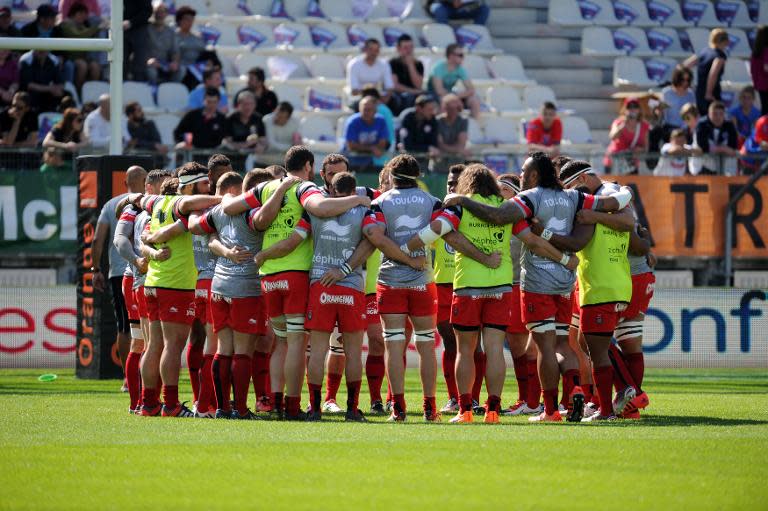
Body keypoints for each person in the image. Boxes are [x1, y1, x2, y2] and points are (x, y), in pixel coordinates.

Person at [441, 154, 634, 422]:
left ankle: (552, 409)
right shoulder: (573, 197)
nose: (520, 175)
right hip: (565, 282)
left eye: (523, 170)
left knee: (544, 349)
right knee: (562, 344)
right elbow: (614, 203)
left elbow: (498, 217)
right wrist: (626, 191)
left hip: (535, 283)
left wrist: (462, 200)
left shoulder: (529, 197)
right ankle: (576, 388)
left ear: (533, 175)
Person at [220, 145, 373, 420]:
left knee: (280, 343)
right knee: (297, 344)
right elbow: (321, 208)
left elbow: (230, 206)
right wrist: (357, 201)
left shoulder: (265, 189)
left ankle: (279, 403)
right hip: (300, 275)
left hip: (268, 275)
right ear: (309, 167)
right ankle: (296, 406)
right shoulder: (306, 189)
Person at [120, 163, 222, 417]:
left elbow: (144, 230)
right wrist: (226, 196)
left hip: (154, 282)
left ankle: (149, 403)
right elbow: (192, 204)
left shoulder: (156, 203)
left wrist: (133, 200)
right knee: (172, 347)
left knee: (153, 345)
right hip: (174, 284)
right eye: (204, 184)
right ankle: (171, 404)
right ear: (190, 185)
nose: (208, 189)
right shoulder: (181, 203)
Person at [538, 161, 636, 421]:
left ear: (580, 181)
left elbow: (575, 242)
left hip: (600, 286)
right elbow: (630, 223)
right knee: (586, 342)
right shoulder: (616, 206)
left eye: (570, 188)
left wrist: (543, 233)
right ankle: (622, 392)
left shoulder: (592, 208)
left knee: (597, 350)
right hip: (617, 284)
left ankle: (608, 409)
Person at [187, 172, 265, 419]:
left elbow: (196, 227)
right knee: (242, 352)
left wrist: (189, 206)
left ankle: (221, 408)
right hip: (245, 287)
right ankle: (240, 409)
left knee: (223, 349)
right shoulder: (254, 213)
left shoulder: (217, 212)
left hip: (219, 286)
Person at [90, 167, 147, 390]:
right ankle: (143, 377)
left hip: (118, 273)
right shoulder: (148, 203)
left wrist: (96, 269)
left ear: (125, 183)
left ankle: (129, 377)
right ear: (145, 181)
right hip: (143, 270)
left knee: (125, 326)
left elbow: (97, 239)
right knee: (147, 327)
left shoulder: (111, 205)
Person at [496, 174, 540, 417]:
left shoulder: (522, 219)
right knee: (517, 349)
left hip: (519, 286)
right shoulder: (500, 217)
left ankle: (532, 399)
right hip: (506, 286)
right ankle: (528, 398)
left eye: (503, 188)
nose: (498, 193)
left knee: (524, 349)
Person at [426, 44, 481, 119]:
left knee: (474, 100)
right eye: (460, 55)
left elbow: (471, 90)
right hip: (434, 95)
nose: (463, 58)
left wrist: (455, 97)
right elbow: (439, 90)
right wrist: (453, 98)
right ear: (451, 56)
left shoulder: (460, 69)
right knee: (446, 103)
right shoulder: (438, 68)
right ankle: (442, 126)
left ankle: (474, 126)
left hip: (450, 94)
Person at [59, 2, 103, 90]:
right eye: (80, 14)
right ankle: (79, 91)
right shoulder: (65, 24)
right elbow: (78, 35)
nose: (83, 17)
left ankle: (92, 91)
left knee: (95, 66)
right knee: (82, 66)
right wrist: (97, 28)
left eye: (85, 14)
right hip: (69, 58)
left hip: (83, 58)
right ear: (73, 13)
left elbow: (85, 32)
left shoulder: (82, 25)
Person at [684, 28, 729, 114]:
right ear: (725, 41)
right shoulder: (720, 56)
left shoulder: (704, 51)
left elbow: (686, 65)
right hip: (711, 92)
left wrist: (687, 82)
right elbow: (713, 73)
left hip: (699, 91)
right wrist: (709, 92)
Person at [347, 39, 396, 112]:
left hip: (380, 98)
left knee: (395, 101)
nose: (374, 53)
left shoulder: (384, 64)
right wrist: (369, 99)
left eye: (376, 50)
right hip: (361, 98)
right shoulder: (354, 65)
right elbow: (354, 90)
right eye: (371, 49)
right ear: (365, 50)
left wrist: (385, 99)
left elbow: (389, 87)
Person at [604, 97, 649, 174]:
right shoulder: (618, 122)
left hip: (631, 162)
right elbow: (612, 137)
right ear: (625, 109)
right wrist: (623, 125)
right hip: (615, 161)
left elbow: (646, 147)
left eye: (635, 106)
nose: (632, 109)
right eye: (629, 107)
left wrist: (639, 149)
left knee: (631, 185)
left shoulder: (644, 125)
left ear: (639, 109)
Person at [342, 96, 390, 169]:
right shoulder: (352, 122)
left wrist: (364, 148)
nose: (366, 112)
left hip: (369, 161)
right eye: (364, 109)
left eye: (369, 110)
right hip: (350, 161)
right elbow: (351, 146)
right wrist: (371, 148)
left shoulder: (381, 121)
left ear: (375, 110)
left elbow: (382, 144)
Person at [696, 100, 739, 174]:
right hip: (705, 167)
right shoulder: (702, 125)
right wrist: (723, 149)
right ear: (709, 114)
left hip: (726, 169)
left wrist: (716, 149)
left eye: (721, 114)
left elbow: (733, 146)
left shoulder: (729, 126)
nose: (718, 117)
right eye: (715, 114)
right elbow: (703, 146)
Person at [146, 2, 183, 85]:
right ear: (153, 13)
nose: (159, 15)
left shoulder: (171, 32)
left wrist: (174, 62)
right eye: (157, 12)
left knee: (181, 70)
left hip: (165, 65)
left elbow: (175, 52)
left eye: (162, 12)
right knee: (151, 71)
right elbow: (140, 50)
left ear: (166, 14)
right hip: (150, 64)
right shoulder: (146, 29)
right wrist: (148, 60)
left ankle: (171, 90)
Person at [434, 93, 470, 173]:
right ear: (445, 108)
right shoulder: (437, 121)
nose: (453, 111)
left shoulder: (463, 121)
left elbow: (461, 144)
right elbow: (439, 144)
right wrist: (457, 150)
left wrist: (446, 149)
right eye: (450, 108)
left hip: (457, 164)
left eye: (456, 108)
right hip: (440, 163)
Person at [389, 34, 424, 113]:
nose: (409, 50)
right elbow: (395, 85)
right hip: (398, 95)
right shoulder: (392, 63)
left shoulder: (418, 64)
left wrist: (411, 65)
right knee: (407, 97)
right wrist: (412, 91)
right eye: (405, 48)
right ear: (398, 48)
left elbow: (418, 85)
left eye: (411, 47)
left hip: (414, 93)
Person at [398, 94, 439, 162]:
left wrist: (428, 148)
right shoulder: (407, 118)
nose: (432, 112)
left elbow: (433, 144)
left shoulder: (432, 120)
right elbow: (407, 146)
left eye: (433, 109)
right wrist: (427, 148)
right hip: (406, 161)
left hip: (424, 161)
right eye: (429, 109)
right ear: (419, 108)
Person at [123, 0, 152, 81]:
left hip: (139, 29)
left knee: (139, 64)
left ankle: (138, 86)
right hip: (121, 30)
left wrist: (131, 22)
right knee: (121, 62)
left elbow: (147, 11)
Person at [175, 6, 206, 77]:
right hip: (182, 68)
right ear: (179, 20)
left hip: (198, 67)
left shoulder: (198, 37)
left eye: (191, 19)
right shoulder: (173, 37)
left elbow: (203, 51)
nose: (190, 22)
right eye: (187, 19)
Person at [751, 26, 768, 116]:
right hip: (766, 84)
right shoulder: (766, 50)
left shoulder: (756, 51)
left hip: (760, 84)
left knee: (764, 109)